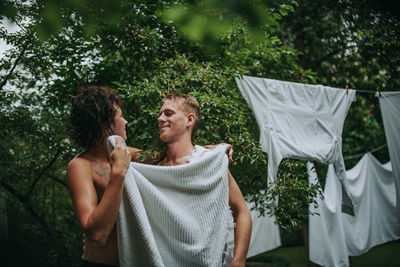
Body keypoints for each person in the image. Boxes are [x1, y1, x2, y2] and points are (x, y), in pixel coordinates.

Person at [67, 86, 235, 267]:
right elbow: (97, 235)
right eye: (121, 116)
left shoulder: (127, 153)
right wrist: (118, 174)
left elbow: (166, 155)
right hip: (99, 264)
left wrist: (211, 150)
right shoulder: (80, 166)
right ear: (106, 122)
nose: (125, 122)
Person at [157, 92, 252, 267]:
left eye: (168, 113)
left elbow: (242, 212)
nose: (160, 118)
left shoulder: (210, 162)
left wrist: (239, 261)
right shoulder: (155, 167)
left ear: (189, 120)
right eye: (160, 113)